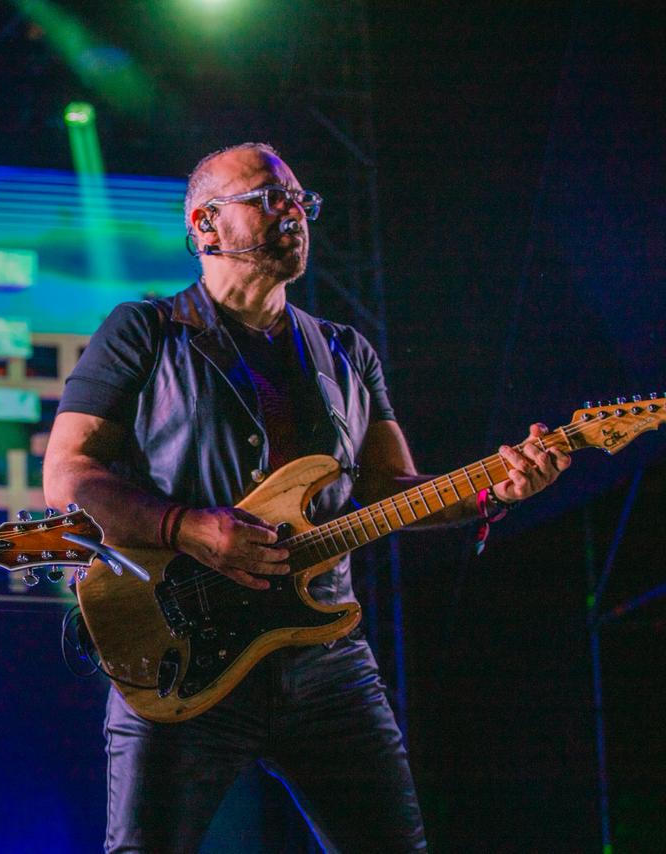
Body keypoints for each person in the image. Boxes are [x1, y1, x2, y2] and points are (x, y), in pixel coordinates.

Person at [42, 142, 570, 852]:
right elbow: (68, 474)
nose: (294, 212)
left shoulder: (346, 352)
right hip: (181, 648)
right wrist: (187, 527)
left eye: (299, 200)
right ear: (204, 224)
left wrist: (492, 493)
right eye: (270, 198)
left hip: (325, 662)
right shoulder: (144, 331)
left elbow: (390, 488)